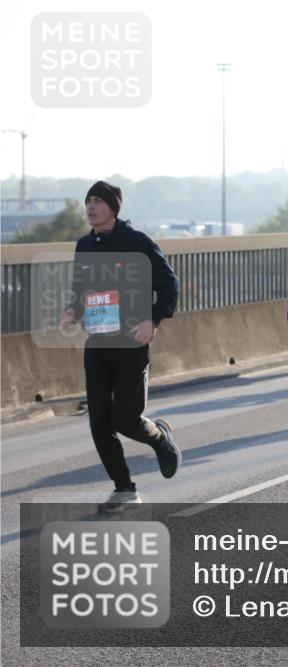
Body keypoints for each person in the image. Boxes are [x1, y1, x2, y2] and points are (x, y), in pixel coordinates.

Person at [58, 181, 181, 514]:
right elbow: (81, 289)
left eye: (98, 201)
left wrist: (152, 321)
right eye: (88, 201)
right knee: (99, 421)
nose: (91, 206)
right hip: (98, 343)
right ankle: (124, 489)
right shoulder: (84, 246)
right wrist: (73, 310)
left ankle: (159, 437)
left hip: (131, 343)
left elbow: (169, 284)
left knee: (125, 418)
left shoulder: (137, 242)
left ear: (113, 208)